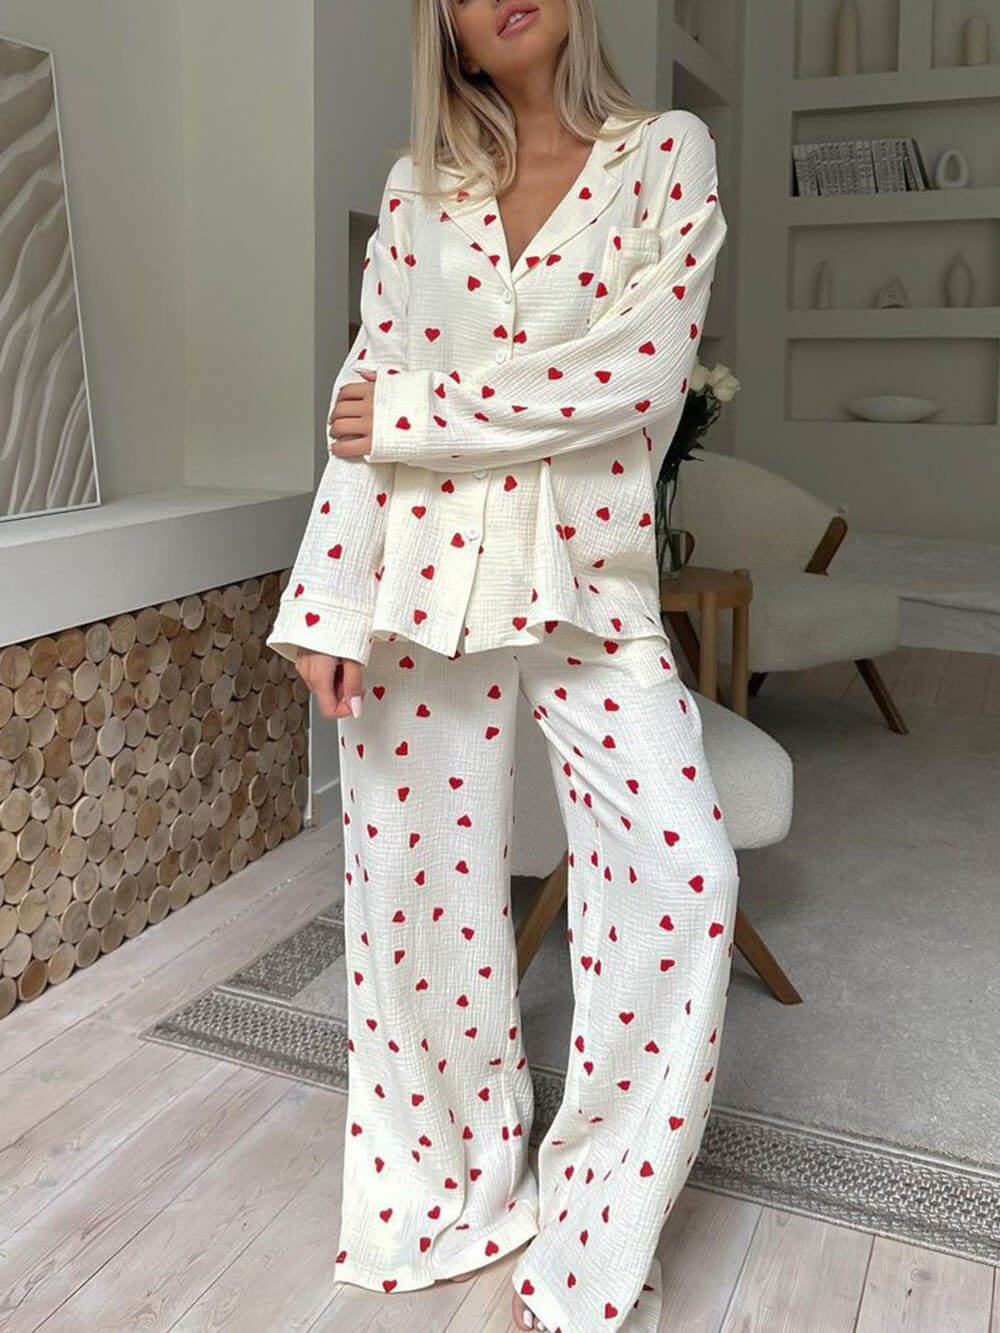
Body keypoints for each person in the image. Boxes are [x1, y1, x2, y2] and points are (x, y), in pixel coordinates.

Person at [265, 2, 738, 1330]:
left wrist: (424, 411)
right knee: (413, 902)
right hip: (418, 580)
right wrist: (328, 598)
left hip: (592, 586)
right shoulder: (417, 193)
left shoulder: (668, 155)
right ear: (451, 31)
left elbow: (636, 377)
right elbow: (361, 397)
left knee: (687, 880)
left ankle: (594, 1237)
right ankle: (448, 1194)